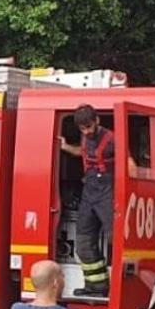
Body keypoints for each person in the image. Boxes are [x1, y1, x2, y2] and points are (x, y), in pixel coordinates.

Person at [58, 104, 113, 298]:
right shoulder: (84, 137)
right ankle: (96, 286)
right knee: (83, 241)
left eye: (89, 126)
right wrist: (64, 147)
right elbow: (82, 153)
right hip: (89, 193)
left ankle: (122, 288)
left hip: (108, 192)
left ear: (97, 120)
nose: (87, 131)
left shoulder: (111, 139)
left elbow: (128, 163)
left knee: (116, 238)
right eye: (83, 128)